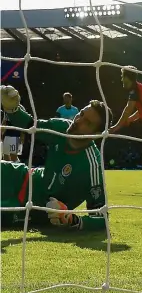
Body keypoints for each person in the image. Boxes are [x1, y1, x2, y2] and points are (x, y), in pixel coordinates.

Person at [1, 85, 112, 230]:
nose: (78, 121)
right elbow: (30, 125)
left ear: (97, 134)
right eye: (82, 114)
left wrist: (72, 219)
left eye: (88, 123)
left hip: (34, 208)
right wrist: (12, 109)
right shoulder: (61, 127)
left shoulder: (92, 165)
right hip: (22, 176)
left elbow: (101, 217)